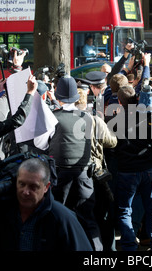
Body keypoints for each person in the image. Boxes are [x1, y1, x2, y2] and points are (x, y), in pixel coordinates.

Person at [0, 158, 93, 251]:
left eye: (33, 187)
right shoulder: (3, 210)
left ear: (46, 187)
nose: (25, 192)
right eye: (21, 184)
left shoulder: (62, 218)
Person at [48, 76, 103, 251]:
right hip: (83, 174)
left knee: (58, 216)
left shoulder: (53, 118)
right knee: (88, 218)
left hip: (60, 173)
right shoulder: (88, 117)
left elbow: (42, 144)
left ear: (58, 96)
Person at [114, 73, 152, 251]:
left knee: (125, 209)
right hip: (148, 168)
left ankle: (129, 247)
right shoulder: (147, 117)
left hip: (127, 170)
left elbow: (112, 144)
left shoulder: (115, 120)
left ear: (119, 102)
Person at [75, 88, 118, 251]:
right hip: (96, 174)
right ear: (86, 102)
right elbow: (112, 142)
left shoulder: (64, 120)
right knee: (104, 215)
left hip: (76, 174)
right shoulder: (95, 121)